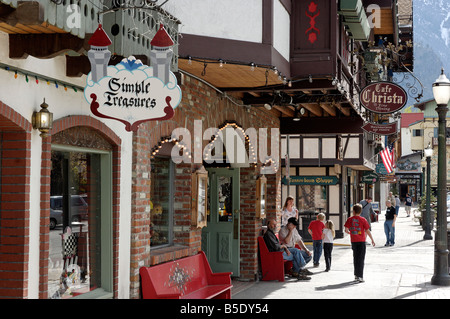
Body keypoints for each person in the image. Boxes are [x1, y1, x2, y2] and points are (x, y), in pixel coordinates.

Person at [344, 204, 375, 283]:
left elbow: (346, 230)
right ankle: (360, 276)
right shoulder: (363, 219)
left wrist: (351, 232)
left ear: (353, 211)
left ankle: (356, 275)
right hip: (361, 241)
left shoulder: (350, 219)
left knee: (355, 258)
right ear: (360, 211)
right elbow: (367, 230)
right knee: (361, 259)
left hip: (354, 241)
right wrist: (372, 239)